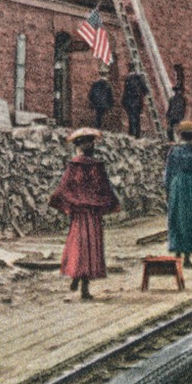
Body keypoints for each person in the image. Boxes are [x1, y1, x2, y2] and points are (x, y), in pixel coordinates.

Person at [50, 128, 121, 300]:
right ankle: (84, 287)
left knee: (78, 247)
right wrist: (112, 204)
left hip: (78, 215)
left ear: (78, 148)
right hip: (93, 215)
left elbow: (63, 188)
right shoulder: (97, 167)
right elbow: (105, 189)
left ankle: (76, 276)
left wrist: (61, 203)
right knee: (91, 250)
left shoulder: (73, 166)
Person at [164, 120, 192, 267]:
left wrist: (167, 191)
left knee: (176, 219)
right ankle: (187, 258)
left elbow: (168, 173)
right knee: (189, 220)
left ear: (181, 136)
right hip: (190, 187)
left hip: (176, 186)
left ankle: (177, 254)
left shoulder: (173, 152)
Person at [121, 70, 148, 137]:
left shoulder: (128, 78)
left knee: (131, 117)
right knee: (136, 118)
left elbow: (125, 91)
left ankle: (132, 133)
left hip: (128, 101)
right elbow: (145, 90)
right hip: (136, 101)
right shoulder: (139, 78)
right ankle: (136, 134)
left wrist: (123, 101)